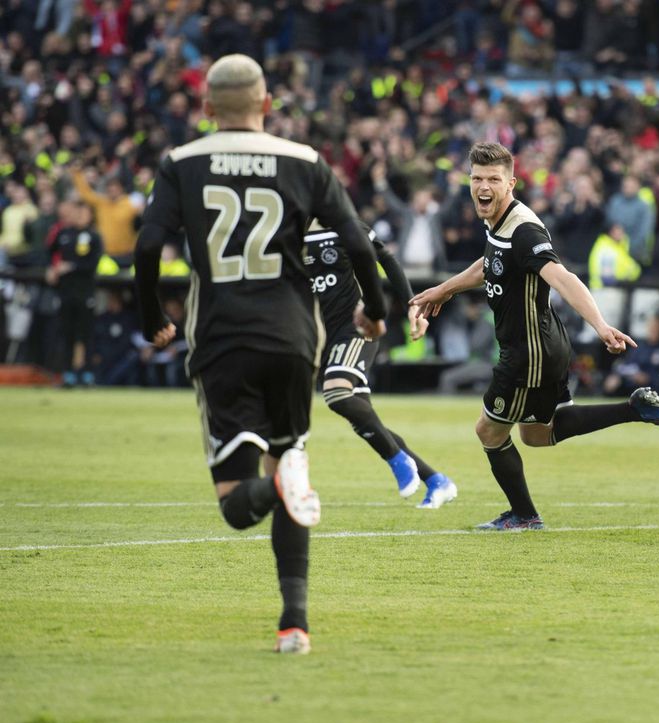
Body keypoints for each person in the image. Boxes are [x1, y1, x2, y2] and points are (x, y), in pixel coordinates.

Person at [133, 54, 389, 656]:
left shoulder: (181, 163)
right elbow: (355, 242)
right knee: (289, 460)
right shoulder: (305, 162)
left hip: (222, 339)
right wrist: (374, 312)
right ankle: (294, 625)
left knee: (236, 504)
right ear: (267, 104)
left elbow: (147, 246)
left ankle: (280, 494)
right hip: (293, 339)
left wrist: (153, 318)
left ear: (206, 108)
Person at [410, 142, 659, 531]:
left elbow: (562, 277)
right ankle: (636, 409)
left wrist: (600, 326)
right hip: (542, 344)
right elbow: (490, 262)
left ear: (511, 182)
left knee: (488, 430)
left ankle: (524, 516)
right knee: (536, 435)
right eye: (477, 178)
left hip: (530, 352)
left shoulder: (524, 229)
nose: (483, 186)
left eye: (493, 179)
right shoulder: (499, 221)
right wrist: (446, 288)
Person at [302, 220, 458, 509]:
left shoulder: (341, 222)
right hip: (324, 337)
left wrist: (412, 304)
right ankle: (437, 480)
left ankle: (398, 461)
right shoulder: (285, 233)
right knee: (366, 422)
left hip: (358, 328)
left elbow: (385, 257)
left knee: (336, 393)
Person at [47, 200, 102, 387]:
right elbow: (49, 252)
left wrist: (71, 266)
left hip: (85, 292)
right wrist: (52, 269)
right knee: (66, 332)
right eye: (78, 212)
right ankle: (67, 372)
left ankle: (85, 371)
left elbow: (93, 265)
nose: (80, 216)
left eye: (84, 213)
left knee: (84, 333)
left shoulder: (94, 237)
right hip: (65, 292)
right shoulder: (64, 233)